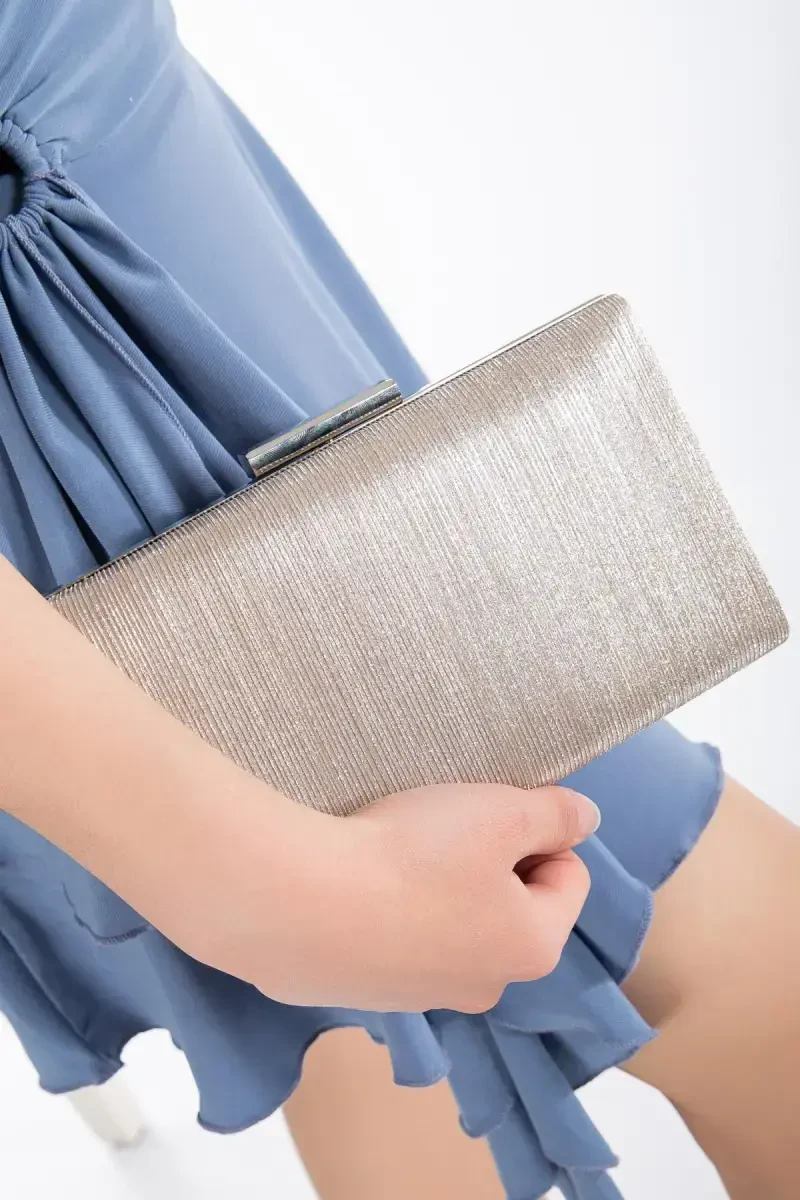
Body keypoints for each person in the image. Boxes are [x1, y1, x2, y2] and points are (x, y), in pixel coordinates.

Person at [0, 3, 797, 1198]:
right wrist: (258, 881)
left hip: (104, 118)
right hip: (55, 262)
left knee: (371, 993)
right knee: (700, 948)